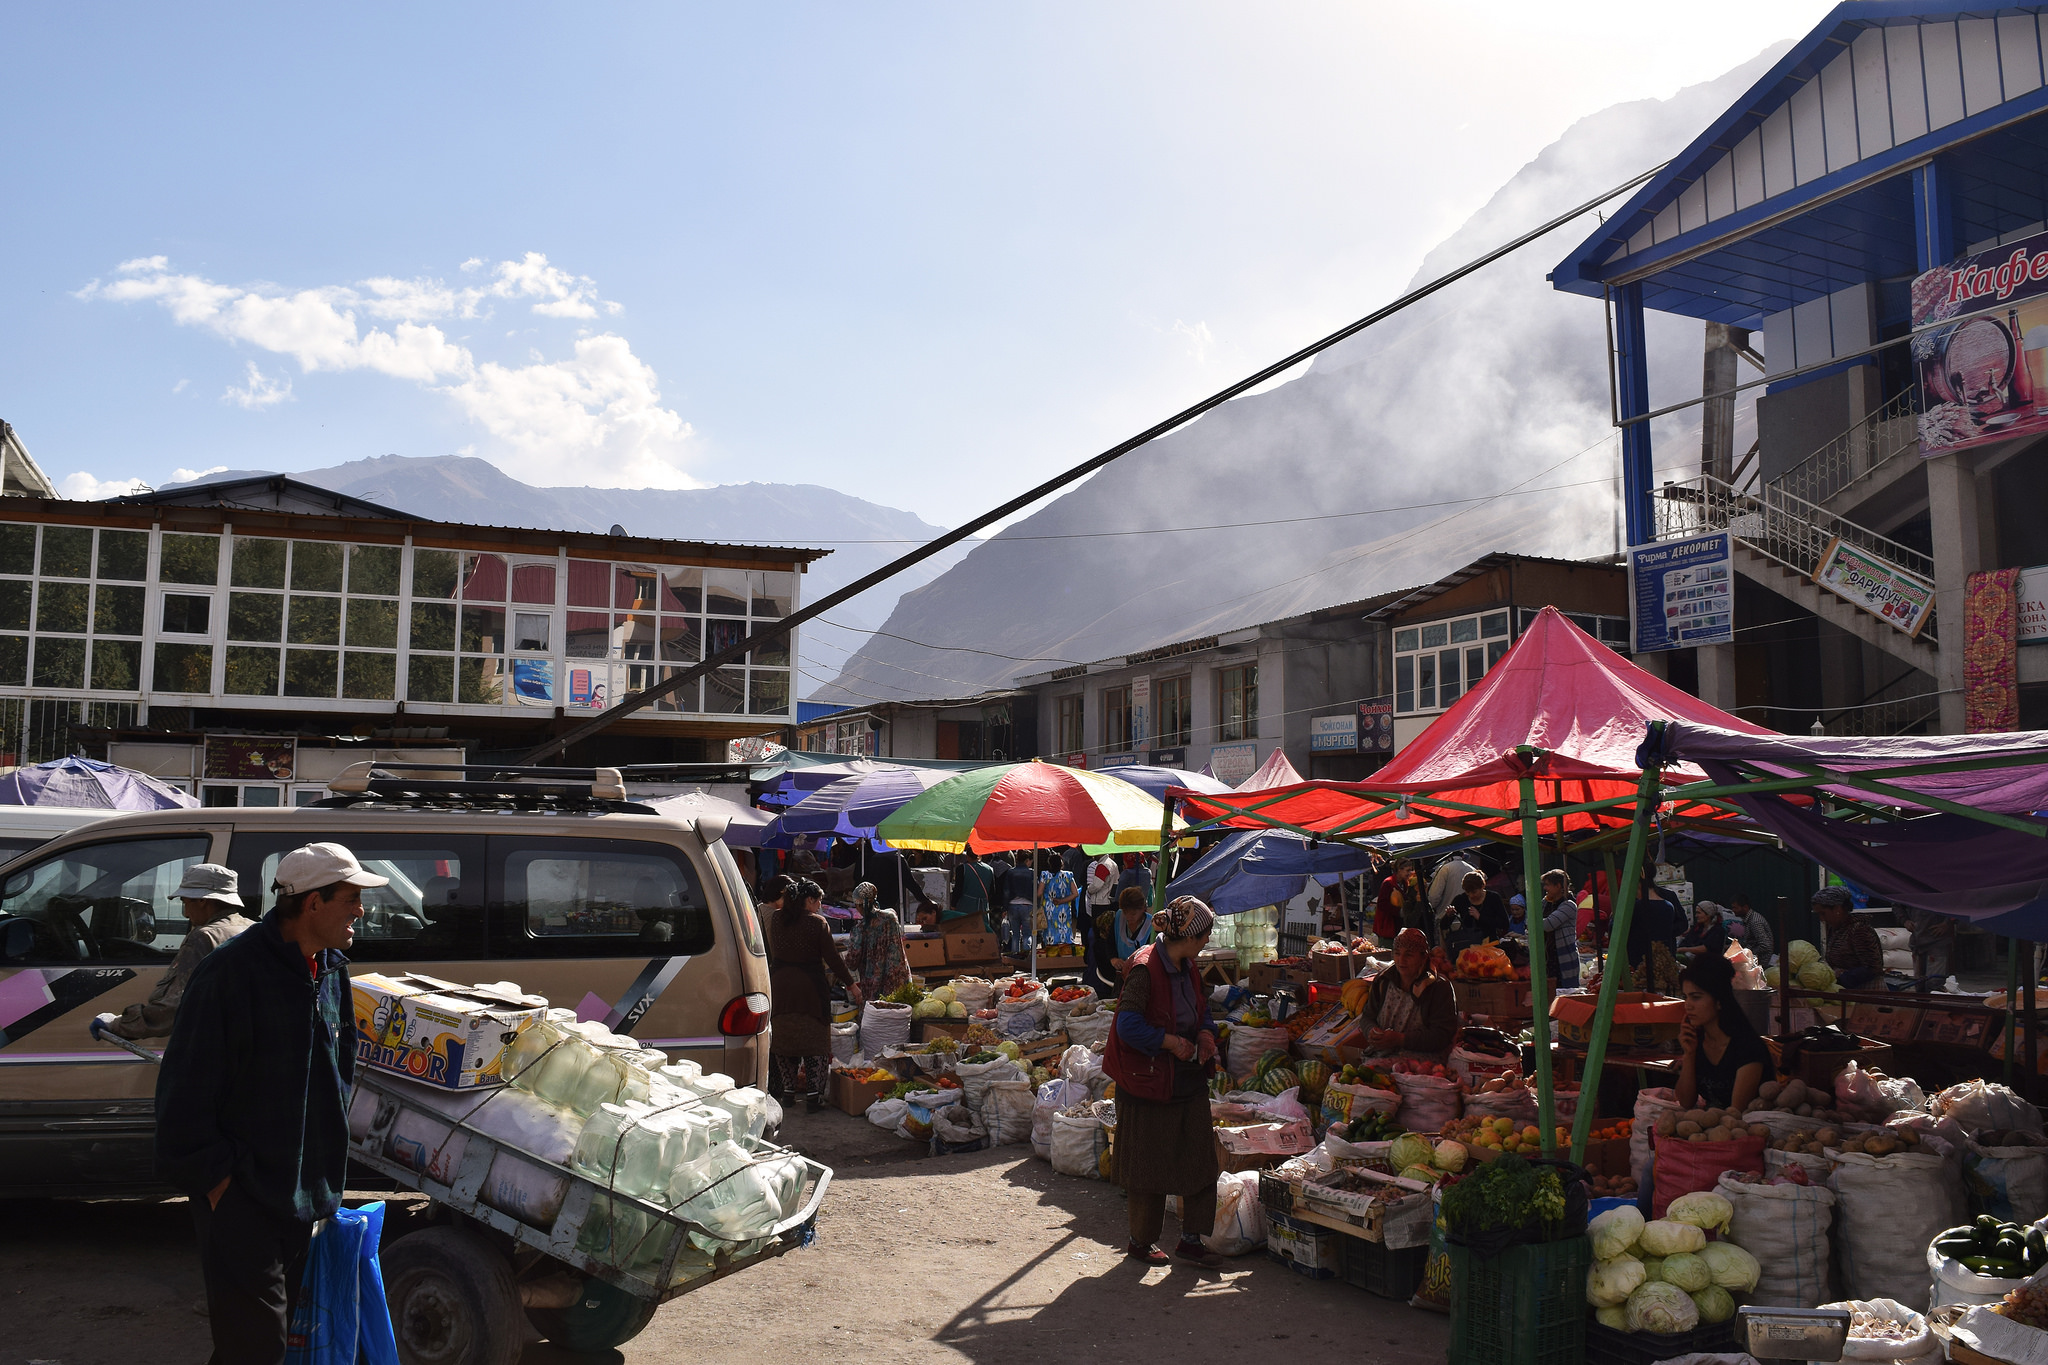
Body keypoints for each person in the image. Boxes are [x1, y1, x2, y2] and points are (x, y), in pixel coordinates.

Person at [154, 842, 387, 1363]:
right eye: (351, 897)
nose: (361, 910)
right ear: (312, 903)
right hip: (240, 1194)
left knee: (269, 1343)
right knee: (256, 1345)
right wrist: (219, 1184)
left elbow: (338, 1068)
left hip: (302, 1192)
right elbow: (182, 1091)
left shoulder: (329, 970)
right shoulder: (230, 973)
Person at [1103, 895, 1222, 1267]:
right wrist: (1170, 1042)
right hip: (1148, 1081)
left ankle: (1192, 1238)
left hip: (1185, 1078)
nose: (1206, 943)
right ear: (1190, 935)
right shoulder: (1144, 968)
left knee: (1200, 1158)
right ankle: (1141, 1241)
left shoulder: (1187, 967)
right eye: (1204, 936)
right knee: (1147, 1165)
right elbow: (1128, 1026)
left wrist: (1204, 1035)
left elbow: (1201, 1012)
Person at [91, 864, 252, 1042]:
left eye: (185, 902)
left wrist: (116, 1024)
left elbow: (173, 1008)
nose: (185, 914)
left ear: (202, 900)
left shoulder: (203, 938)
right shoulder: (252, 929)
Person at [766, 876, 859, 1112]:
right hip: (810, 990)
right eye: (818, 901)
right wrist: (851, 985)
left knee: (785, 1041)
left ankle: (788, 1092)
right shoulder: (817, 923)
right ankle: (813, 1096)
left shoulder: (777, 919)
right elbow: (833, 959)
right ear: (809, 900)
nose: (820, 906)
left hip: (780, 988)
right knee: (815, 1045)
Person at [1674, 952, 1770, 1111]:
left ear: (1719, 1001)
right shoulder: (1697, 1041)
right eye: (1686, 997)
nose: (1688, 1005)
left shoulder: (1748, 1048)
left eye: (1696, 997)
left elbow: (1735, 1113)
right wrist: (1689, 1054)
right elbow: (1685, 1101)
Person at [1356, 928, 1458, 1063]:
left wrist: (1400, 1039)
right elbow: (1367, 1017)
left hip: (1423, 1065)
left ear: (1423, 957)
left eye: (1409, 955)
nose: (1401, 960)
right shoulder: (1383, 981)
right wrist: (1371, 1032)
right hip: (1381, 1057)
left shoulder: (1438, 987)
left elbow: (1441, 1036)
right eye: (1397, 954)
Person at [842, 881, 911, 1004]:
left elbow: (852, 962)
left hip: (874, 987)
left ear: (858, 905)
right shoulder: (891, 917)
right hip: (898, 979)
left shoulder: (859, 929)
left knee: (877, 1020)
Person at [1814, 886, 1883, 988]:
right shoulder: (1834, 929)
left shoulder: (1859, 930)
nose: (1821, 919)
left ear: (1837, 909)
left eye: (1823, 913)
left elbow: (1872, 968)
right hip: (1847, 991)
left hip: (1866, 992)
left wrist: (1842, 979)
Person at [1438, 869, 1509, 955]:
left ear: (1482, 886)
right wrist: (1448, 915)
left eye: (1474, 892)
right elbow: (1443, 926)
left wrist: (1480, 917)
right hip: (1467, 948)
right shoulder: (1460, 900)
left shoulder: (1493, 898)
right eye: (1468, 892)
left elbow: (1504, 923)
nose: (1471, 895)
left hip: (1490, 946)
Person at [1535, 870, 1581, 992]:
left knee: (1564, 995)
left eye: (1548, 884)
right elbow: (1530, 919)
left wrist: (1533, 921)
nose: (1545, 888)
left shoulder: (1569, 905)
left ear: (1558, 886)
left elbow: (1547, 925)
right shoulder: (1546, 903)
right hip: (1547, 959)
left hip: (1563, 959)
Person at [1375, 859, 1427, 946]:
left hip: (1399, 926)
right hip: (1388, 926)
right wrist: (1399, 911)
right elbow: (1382, 904)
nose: (1410, 873)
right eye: (1407, 870)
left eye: (1411, 870)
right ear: (1399, 870)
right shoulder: (1388, 883)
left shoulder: (1406, 883)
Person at [1904, 904, 1956, 989]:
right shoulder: (1908, 891)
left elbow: (1958, 904)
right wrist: (1905, 920)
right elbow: (1897, 904)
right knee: (1919, 983)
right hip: (1918, 941)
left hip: (1938, 941)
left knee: (1935, 983)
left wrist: (1948, 923)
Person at [1001, 852, 1039, 956]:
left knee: (1015, 934)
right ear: (1027, 860)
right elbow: (1036, 890)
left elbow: (1006, 891)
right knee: (1027, 933)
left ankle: (1014, 956)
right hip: (1028, 905)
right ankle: (1026, 955)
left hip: (1013, 905)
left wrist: (1004, 908)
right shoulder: (1032, 873)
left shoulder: (1010, 872)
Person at [1041, 858, 1081, 951]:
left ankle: (1051, 953)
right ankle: (1065, 954)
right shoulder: (1068, 875)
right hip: (1064, 909)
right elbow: (1075, 893)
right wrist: (1061, 901)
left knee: (1050, 932)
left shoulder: (1045, 875)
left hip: (1049, 909)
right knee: (1065, 931)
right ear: (1061, 864)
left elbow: (1039, 893)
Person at [954, 850, 998, 931]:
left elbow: (957, 890)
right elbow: (992, 891)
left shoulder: (962, 869)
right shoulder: (989, 869)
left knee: (965, 931)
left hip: (965, 907)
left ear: (967, 856)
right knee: (981, 932)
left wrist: (953, 905)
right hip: (983, 908)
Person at [1427, 854, 1477, 922]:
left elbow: (1434, 897)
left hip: (1444, 917)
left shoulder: (1445, 869)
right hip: (1467, 919)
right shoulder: (1472, 869)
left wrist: (1430, 908)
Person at [1730, 892, 1774, 965]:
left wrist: (1746, 953)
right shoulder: (1749, 919)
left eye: (1735, 908)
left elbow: (1766, 946)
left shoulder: (1755, 922)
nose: (1733, 910)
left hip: (1760, 963)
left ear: (1745, 907)